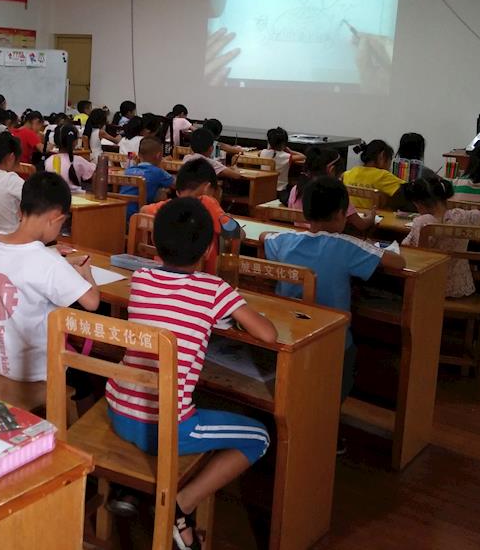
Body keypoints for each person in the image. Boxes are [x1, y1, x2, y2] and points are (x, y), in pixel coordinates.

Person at [105, 197, 276, 550]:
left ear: (156, 244)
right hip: (168, 430)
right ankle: (181, 506)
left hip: (119, 412)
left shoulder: (141, 278)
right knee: (260, 437)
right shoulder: (215, 289)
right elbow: (268, 334)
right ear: (209, 249)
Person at [260, 176, 405, 402]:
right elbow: (398, 262)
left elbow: (263, 236)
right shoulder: (347, 246)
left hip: (287, 336)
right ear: (340, 214)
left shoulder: (283, 241)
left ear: (305, 212)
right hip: (333, 343)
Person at [0, 172, 100, 383]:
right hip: (38, 374)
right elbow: (92, 302)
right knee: (89, 380)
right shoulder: (49, 262)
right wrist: (86, 273)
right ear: (56, 218)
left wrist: (57, 259)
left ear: (21, 210)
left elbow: (24, 264)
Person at [140, 158, 230, 274]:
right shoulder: (208, 203)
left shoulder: (167, 207)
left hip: (162, 271)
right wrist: (226, 217)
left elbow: (143, 210)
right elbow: (236, 233)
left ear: (177, 192)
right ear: (207, 188)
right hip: (201, 276)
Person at [402, 176, 480, 298]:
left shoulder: (423, 223)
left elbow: (408, 249)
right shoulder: (463, 217)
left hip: (429, 289)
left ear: (418, 204)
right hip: (460, 287)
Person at [288, 146, 375, 232]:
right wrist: (371, 217)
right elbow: (361, 225)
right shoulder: (335, 193)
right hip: (328, 239)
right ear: (331, 170)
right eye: (339, 176)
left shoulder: (295, 189)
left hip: (302, 235)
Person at [343, 139, 406, 209]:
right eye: (389, 160)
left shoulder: (348, 173)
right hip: (376, 215)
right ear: (382, 156)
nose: (389, 166)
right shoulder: (382, 175)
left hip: (352, 214)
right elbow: (408, 189)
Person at [121, 137, 174, 219]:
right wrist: (161, 167)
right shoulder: (157, 172)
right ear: (158, 155)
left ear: (139, 155)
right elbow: (177, 184)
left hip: (122, 213)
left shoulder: (128, 170)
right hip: (139, 215)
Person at [259, 126, 305, 203]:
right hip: (280, 192)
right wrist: (290, 151)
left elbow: (260, 152)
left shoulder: (262, 153)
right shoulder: (286, 156)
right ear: (284, 144)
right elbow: (303, 156)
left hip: (263, 189)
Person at [45, 123, 95, 188]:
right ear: (75, 142)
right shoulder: (78, 160)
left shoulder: (48, 160)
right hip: (76, 194)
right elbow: (94, 173)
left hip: (53, 193)